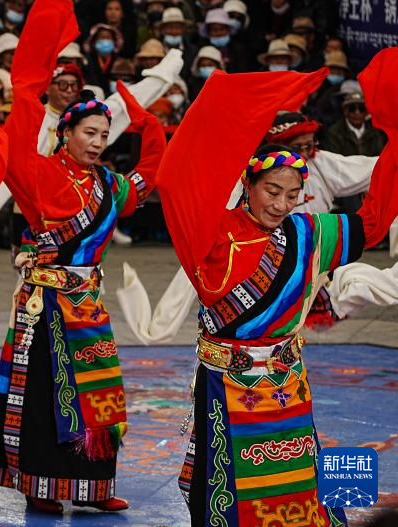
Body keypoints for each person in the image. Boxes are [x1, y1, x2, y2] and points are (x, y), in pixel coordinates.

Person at [160, 51, 398, 527]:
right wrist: (230, 110)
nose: (281, 204)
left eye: (292, 195)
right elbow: (175, 182)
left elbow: (371, 225)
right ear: (248, 183)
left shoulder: (307, 233)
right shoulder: (212, 234)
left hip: (287, 384)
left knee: (300, 482)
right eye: (271, 191)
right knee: (228, 494)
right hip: (228, 387)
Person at [0, 0, 166, 514]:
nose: (97, 143)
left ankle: (93, 486)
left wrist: (149, 126)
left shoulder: (111, 186)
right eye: (88, 133)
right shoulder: (42, 173)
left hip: (88, 305)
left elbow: (151, 175)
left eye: (103, 136)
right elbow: (14, 144)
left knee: (98, 392)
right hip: (46, 304)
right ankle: (41, 484)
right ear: (65, 134)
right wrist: (29, 88)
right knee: (45, 395)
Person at [322, 91, 388, 157]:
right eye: (352, 109)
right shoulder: (334, 133)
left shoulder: (374, 133)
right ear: (345, 111)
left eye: (361, 109)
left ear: (366, 112)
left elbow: (380, 157)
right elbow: (333, 160)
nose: (357, 112)